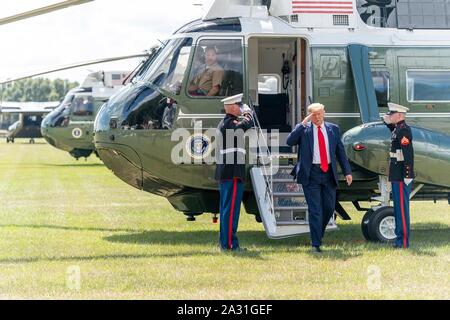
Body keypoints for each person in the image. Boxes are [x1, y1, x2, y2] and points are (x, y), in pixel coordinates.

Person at [286, 103, 352, 253]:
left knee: (328, 208)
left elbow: (340, 152)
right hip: (311, 174)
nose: (317, 117)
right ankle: (316, 244)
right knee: (315, 210)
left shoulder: (333, 129)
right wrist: (302, 124)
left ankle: (318, 234)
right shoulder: (304, 130)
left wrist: (347, 172)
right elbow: (289, 142)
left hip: (328, 173)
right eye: (314, 115)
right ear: (309, 116)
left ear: (324, 113)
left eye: (320, 114)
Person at [215, 93, 253, 251]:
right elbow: (242, 126)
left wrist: (245, 117)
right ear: (231, 107)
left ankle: (226, 242)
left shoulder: (228, 123)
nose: (240, 107)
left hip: (229, 173)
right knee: (230, 210)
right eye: (239, 105)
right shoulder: (229, 123)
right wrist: (248, 115)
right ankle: (230, 244)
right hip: (231, 173)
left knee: (227, 209)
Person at [383, 102, 414, 249]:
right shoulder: (398, 129)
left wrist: (407, 174)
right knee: (397, 209)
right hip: (396, 175)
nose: (390, 116)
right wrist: (386, 121)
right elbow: (393, 132)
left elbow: (408, 155)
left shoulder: (404, 130)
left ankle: (403, 242)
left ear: (400, 115)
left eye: (392, 114)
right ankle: (399, 239)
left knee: (402, 210)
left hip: (402, 175)